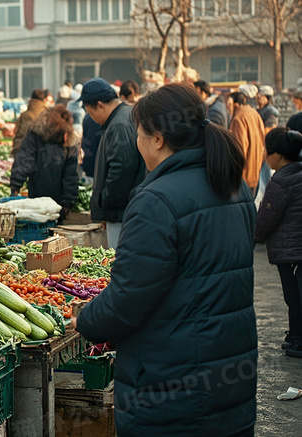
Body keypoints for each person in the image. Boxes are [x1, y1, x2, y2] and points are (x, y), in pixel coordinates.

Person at [73, 83, 257, 436]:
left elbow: (129, 298)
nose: (137, 142)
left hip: (172, 382)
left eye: (138, 133)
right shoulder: (233, 186)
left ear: (157, 138)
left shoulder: (156, 199)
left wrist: (86, 319)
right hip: (229, 371)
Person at [79, 78, 145, 248]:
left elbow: (121, 169)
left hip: (121, 211)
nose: (92, 119)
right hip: (131, 207)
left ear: (100, 105)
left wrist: (106, 204)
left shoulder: (118, 125)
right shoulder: (128, 114)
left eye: (91, 113)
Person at [255, 127, 302, 357]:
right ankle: (295, 336)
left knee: (293, 298)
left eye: (268, 152)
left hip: (290, 251)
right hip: (296, 250)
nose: (265, 156)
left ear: (279, 155)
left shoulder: (280, 182)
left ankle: (297, 340)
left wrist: (254, 237)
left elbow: (266, 219)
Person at [9, 105, 79, 218]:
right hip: (55, 198)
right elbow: (71, 173)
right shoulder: (67, 139)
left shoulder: (35, 134)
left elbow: (24, 160)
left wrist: (15, 186)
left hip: (38, 194)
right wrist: (68, 201)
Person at [229, 91, 266, 197]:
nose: (227, 107)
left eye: (229, 103)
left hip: (244, 173)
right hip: (256, 167)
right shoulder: (254, 113)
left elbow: (239, 149)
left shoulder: (238, 119)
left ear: (235, 104)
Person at [11, 89, 52, 157]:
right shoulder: (47, 115)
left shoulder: (24, 115)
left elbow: (16, 131)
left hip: (21, 150)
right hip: (41, 152)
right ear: (43, 99)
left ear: (31, 99)